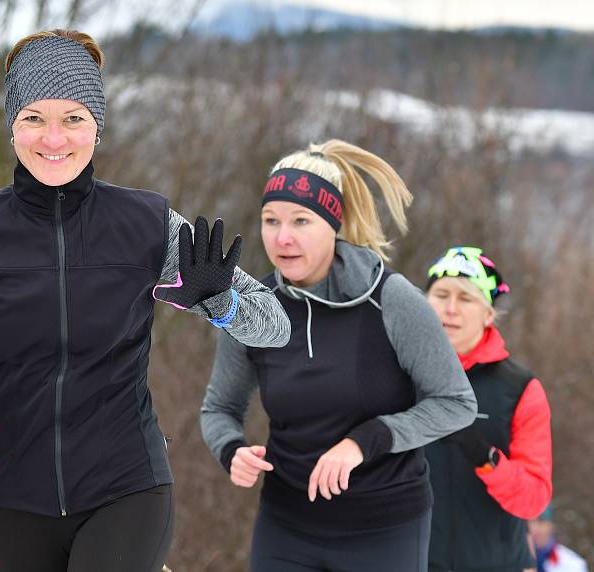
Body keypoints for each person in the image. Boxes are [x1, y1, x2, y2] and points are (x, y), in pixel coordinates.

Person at [0, 29, 290, 572]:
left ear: (97, 126)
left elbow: (275, 326)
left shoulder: (146, 224)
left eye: (73, 118)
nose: (53, 138)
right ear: (12, 126)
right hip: (15, 498)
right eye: (34, 118)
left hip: (127, 487)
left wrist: (221, 302)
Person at [200, 140, 478, 572]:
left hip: (385, 529)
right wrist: (231, 449)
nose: (282, 237)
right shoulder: (250, 308)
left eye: (301, 221)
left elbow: (456, 403)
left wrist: (364, 442)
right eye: (270, 220)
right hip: (285, 524)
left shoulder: (391, 299)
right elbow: (220, 408)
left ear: (334, 223)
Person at [424, 246, 553, 572]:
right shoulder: (395, 373)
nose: (451, 309)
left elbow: (534, 499)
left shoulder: (519, 387)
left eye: (466, 299)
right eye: (441, 295)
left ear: (488, 313)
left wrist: (486, 458)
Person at [529, 506, 589, 572]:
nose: (535, 528)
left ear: (551, 525)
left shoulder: (571, 563)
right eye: (531, 522)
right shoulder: (518, 559)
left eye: (541, 521)